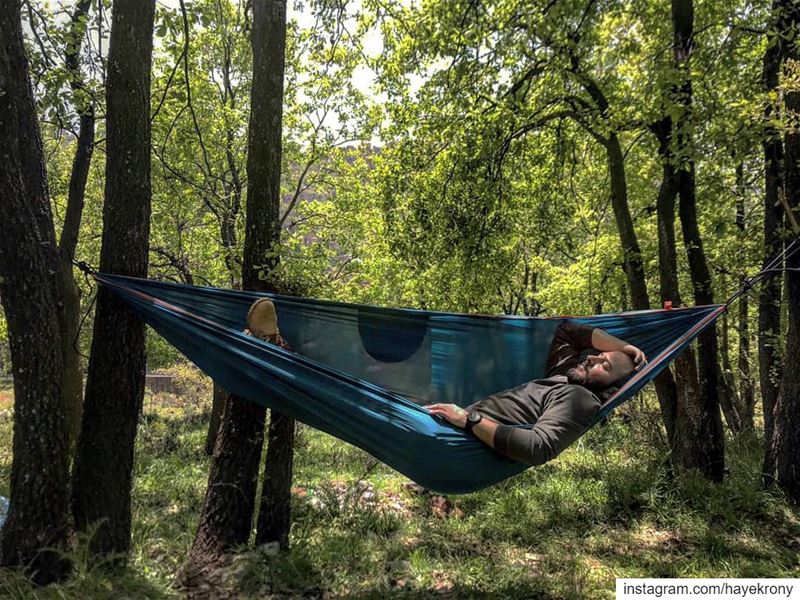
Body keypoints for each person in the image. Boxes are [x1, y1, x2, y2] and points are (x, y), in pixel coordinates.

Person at [425, 320, 646, 466]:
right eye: (599, 354)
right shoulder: (564, 377)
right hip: (450, 425)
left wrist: (468, 419)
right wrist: (626, 347)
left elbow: (538, 448)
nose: (591, 358)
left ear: (612, 389)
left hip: (459, 439)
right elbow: (567, 331)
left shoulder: (579, 398)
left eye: (604, 366)